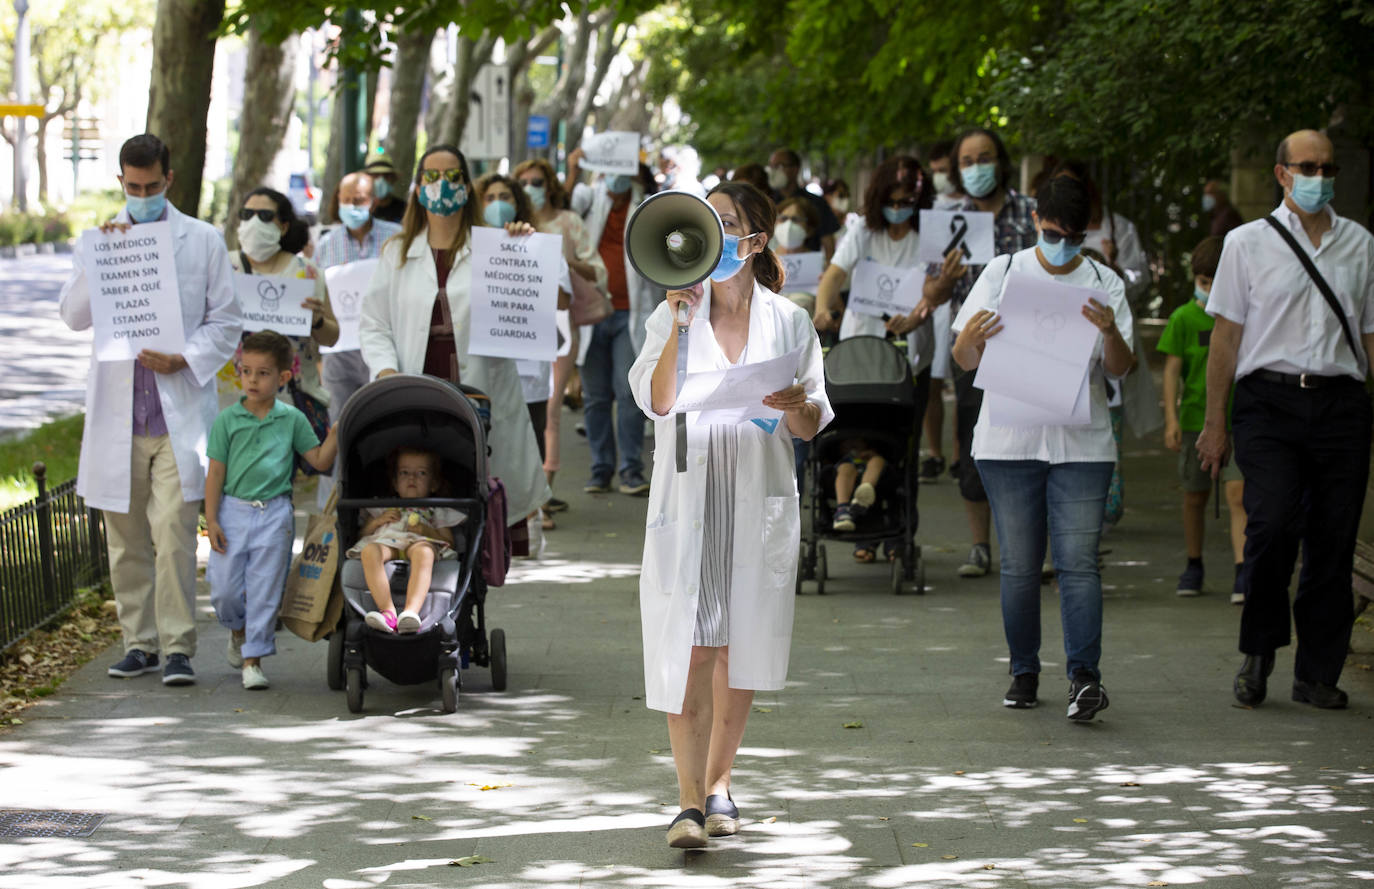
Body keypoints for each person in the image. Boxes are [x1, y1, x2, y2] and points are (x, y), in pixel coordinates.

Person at [629, 181, 832, 848]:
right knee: (689, 646)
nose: (714, 235)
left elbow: (806, 426)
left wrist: (795, 400)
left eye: (729, 224)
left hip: (755, 499)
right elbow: (658, 401)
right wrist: (681, 323)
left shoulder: (789, 321)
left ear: (756, 241)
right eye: (706, 221)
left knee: (738, 648)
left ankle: (719, 784)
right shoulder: (673, 312)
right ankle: (687, 801)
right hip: (690, 501)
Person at [1197, 129, 1374, 711]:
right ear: (1282, 173)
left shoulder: (1360, 244)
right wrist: (1214, 423)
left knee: (1333, 539)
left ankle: (1317, 672)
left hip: (1341, 406)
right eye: (1307, 166)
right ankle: (1260, 650)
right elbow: (1225, 339)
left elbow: (1370, 335)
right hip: (1267, 404)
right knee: (1270, 526)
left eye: (1327, 167)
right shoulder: (1246, 244)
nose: (1319, 176)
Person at [60, 133, 243, 686]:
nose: (142, 194)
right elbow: (72, 316)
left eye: (152, 185)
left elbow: (227, 321)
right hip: (120, 415)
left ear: (169, 181)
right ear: (121, 182)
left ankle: (179, 646)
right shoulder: (100, 240)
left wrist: (184, 358)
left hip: (176, 414)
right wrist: (102, 259)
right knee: (126, 539)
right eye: (132, 186)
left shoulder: (203, 240)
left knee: (173, 532)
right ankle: (138, 643)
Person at [951, 174, 1133, 720]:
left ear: (1087, 232)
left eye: (1074, 235)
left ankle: (1085, 677)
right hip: (1010, 440)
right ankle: (1024, 670)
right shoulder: (1004, 272)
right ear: (1035, 221)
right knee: (1021, 565)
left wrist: (1110, 333)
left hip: (1081, 442)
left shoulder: (1104, 279)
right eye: (1054, 232)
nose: (1062, 245)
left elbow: (1122, 369)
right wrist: (973, 337)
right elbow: (962, 358)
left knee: (1078, 563)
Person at [358, 144, 551, 553]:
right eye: (431, 177)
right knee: (423, 491)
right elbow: (374, 323)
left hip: (480, 393)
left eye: (452, 177)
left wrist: (521, 249)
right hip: (416, 392)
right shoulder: (396, 251)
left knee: (478, 492)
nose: (441, 187)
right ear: (417, 187)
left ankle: (468, 591)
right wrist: (386, 371)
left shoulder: (497, 247)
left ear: (466, 186)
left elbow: (536, 312)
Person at [923, 127, 1038, 579]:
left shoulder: (1030, 212)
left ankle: (1031, 544)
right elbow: (931, 293)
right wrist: (947, 278)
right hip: (974, 349)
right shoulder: (948, 220)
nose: (976, 168)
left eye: (984, 158)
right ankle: (979, 545)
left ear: (1001, 161)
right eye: (967, 162)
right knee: (974, 439)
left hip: (1030, 346)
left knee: (1031, 441)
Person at [815, 155, 935, 562]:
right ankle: (865, 532)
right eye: (893, 200)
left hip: (907, 357)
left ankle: (900, 534)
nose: (899, 209)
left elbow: (936, 289)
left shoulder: (927, 237)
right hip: (860, 355)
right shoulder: (864, 232)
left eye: (907, 201)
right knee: (857, 441)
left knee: (903, 445)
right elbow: (834, 273)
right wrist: (822, 307)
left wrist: (918, 314)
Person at [206, 331, 338, 689]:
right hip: (233, 511)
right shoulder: (227, 421)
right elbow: (215, 473)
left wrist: (338, 430)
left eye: (262, 373)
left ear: (282, 378)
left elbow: (318, 460)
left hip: (275, 513)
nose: (252, 379)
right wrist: (212, 519)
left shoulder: (292, 419)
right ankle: (238, 631)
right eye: (246, 371)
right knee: (224, 590)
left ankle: (254, 660)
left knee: (265, 589)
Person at [514, 158, 609, 518]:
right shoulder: (507, 227)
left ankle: (543, 495)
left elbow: (596, 269)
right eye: (522, 182)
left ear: (550, 184)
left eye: (536, 181)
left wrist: (558, 263)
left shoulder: (569, 223)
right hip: (512, 327)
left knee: (549, 407)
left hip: (557, 325)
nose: (529, 188)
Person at [1159, 236, 1247, 602]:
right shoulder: (1183, 317)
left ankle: (1244, 570)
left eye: (1216, 282)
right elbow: (1171, 369)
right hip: (1196, 418)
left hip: (1239, 419)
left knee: (1238, 493)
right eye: (1203, 281)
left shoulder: (1245, 317)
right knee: (1195, 497)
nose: (1209, 289)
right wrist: (1172, 420)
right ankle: (1194, 563)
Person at [566, 146, 653, 496]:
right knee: (596, 397)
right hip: (592, 311)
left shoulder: (647, 205)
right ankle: (600, 469)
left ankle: (631, 470)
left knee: (628, 393)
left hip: (630, 312)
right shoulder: (589, 198)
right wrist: (574, 168)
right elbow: (563, 212)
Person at [313, 171, 403, 506]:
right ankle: (331, 515)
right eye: (346, 199)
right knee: (338, 429)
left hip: (385, 348)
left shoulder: (396, 239)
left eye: (360, 199)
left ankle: (384, 504)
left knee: (385, 425)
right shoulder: (326, 246)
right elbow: (320, 297)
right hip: (340, 351)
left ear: (374, 201)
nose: (353, 205)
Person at [219, 187, 339, 411]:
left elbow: (332, 337)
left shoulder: (307, 272)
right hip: (233, 404)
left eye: (264, 216)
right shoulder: (223, 267)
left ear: (283, 226)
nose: (254, 222)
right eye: (247, 215)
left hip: (293, 403)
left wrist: (317, 321)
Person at [346, 446, 465, 634]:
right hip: (388, 543)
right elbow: (361, 535)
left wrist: (426, 529)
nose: (412, 478)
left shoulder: (437, 509)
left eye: (421, 473)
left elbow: (449, 541)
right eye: (404, 473)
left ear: (433, 483)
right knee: (369, 550)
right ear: (394, 482)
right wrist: (378, 521)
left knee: (424, 552)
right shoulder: (382, 506)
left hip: (419, 543)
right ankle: (388, 612)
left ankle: (411, 612)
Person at [921, 139, 963, 483]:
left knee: (964, 380)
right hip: (934, 301)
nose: (940, 178)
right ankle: (935, 452)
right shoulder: (929, 209)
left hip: (965, 301)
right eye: (934, 172)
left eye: (944, 171)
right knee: (934, 382)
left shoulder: (975, 208)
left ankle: (961, 453)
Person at [767, 148, 841, 258]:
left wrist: (828, 267)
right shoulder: (767, 202)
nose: (774, 171)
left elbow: (828, 241)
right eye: (772, 167)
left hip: (809, 267)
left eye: (780, 166)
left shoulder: (816, 202)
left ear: (795, 169)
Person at [831, 440, 887, 532]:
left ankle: (864, 492)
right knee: (846, 468)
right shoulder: (844, 460)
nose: (853, 447)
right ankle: (842, 509)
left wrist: (872, 453)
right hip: (846, 469)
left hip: (870, 471)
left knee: (877, 460)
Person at [363, 156, 406, 223]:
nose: (381, 180)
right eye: (376, 175)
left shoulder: (405, 209)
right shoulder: (360, 209)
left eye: (386, 176)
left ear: (393, 179)